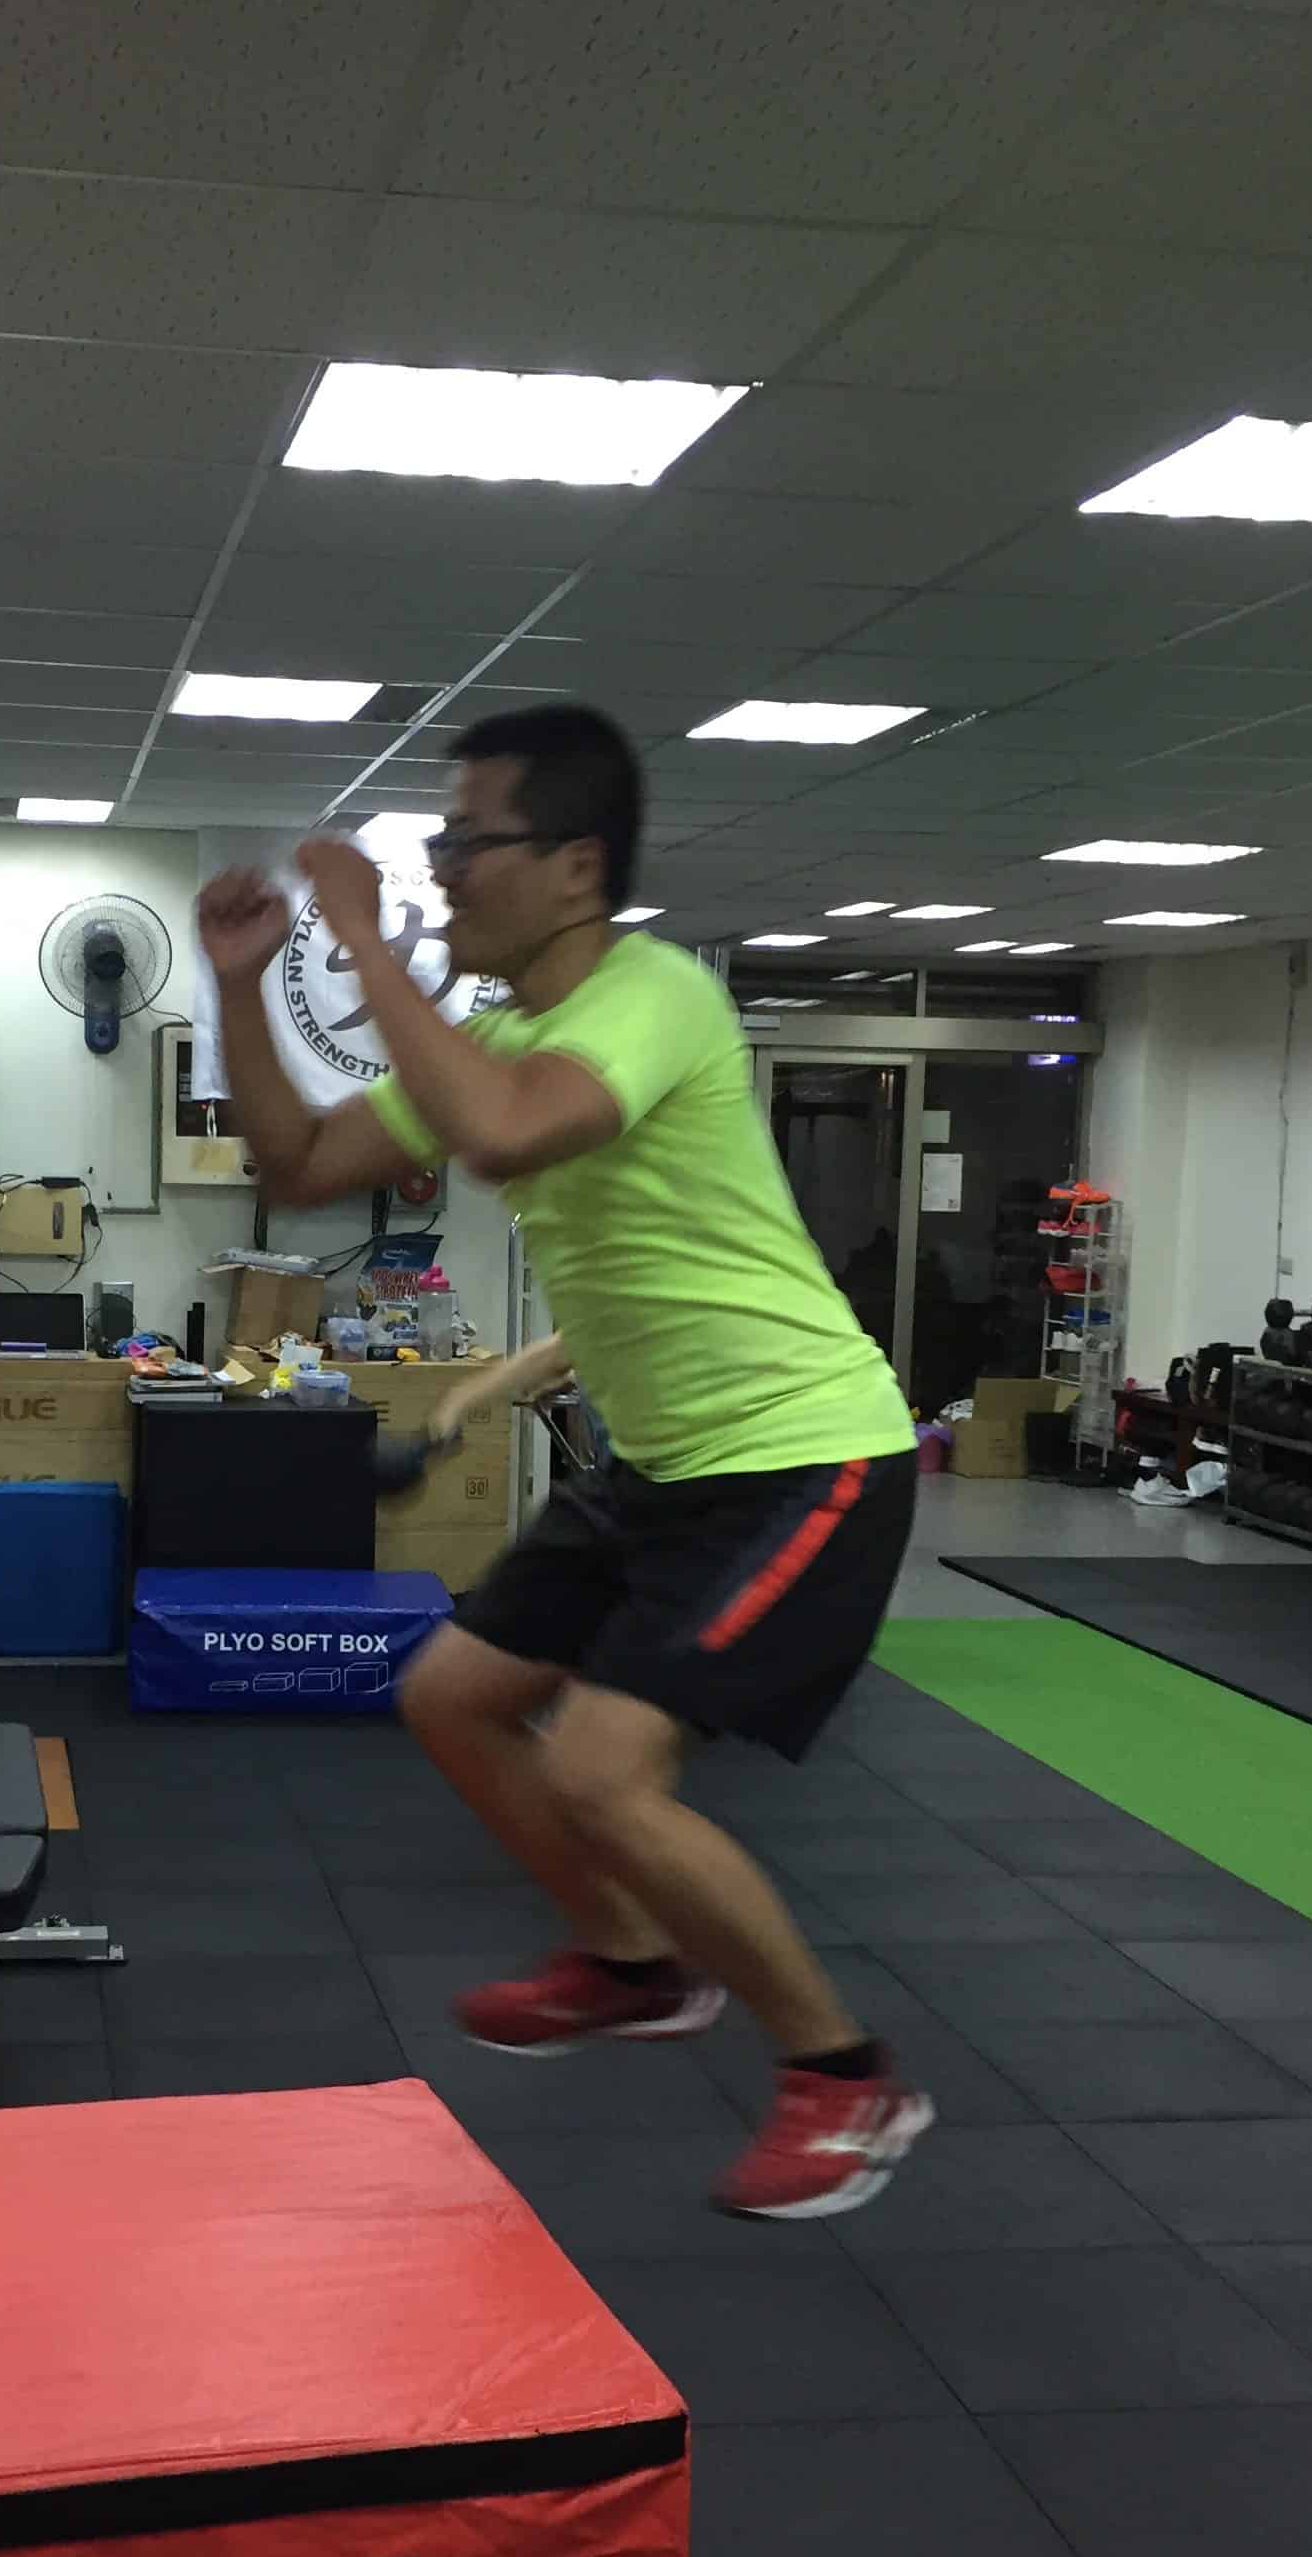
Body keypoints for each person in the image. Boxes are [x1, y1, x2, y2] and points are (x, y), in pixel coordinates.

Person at [195, 703, 930, 2220]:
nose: (444, 870)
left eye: (470, 843)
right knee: (450, 1695)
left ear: (579, 866)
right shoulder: (503, 1035)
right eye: (442, 842)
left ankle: (845, 2078)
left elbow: (510, 1135)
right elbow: (300, 1164)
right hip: (662, 1466)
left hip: (803, 1454)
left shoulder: (656, 994)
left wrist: (361, 935)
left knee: (602, 1768)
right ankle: (630, 1962)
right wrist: (245, 984)